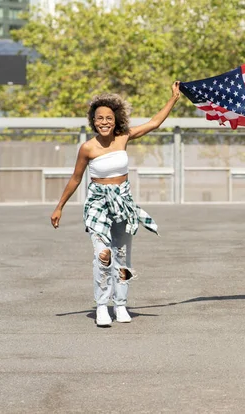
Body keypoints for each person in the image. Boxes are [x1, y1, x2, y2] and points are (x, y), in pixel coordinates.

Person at [50, 82, 181, 327]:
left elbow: (154, 123)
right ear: (93, 120)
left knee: (122, 256)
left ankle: (120, 305)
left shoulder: (123, 137)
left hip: (123, 203)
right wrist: (60, 206)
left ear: (116, 119)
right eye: (99, 118)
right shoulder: (87, 148)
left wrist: (173, 99)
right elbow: (76, 178)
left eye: (109, 118)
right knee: (103, 255)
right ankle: (102, 306)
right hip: (98, 205)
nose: (104, 122)